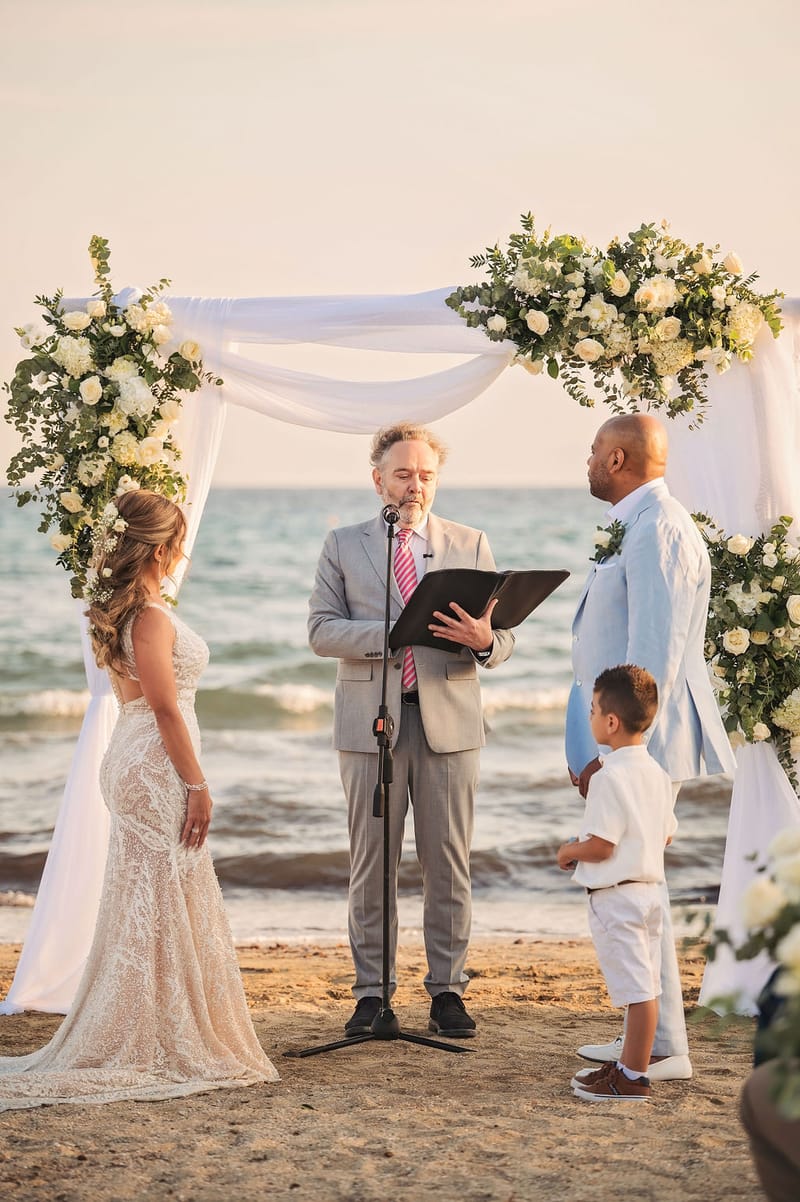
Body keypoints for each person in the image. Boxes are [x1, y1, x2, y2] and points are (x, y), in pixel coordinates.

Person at [0, 489, 278, 1110]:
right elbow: (164, 708)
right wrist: (198, 785)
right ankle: (151, 1036)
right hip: (152, 764)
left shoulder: (136, 608)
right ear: (158, 547)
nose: (182, 547)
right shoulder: (149, 617)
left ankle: (150, 1022)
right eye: (176, 537)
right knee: (158, 893)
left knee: (149, 898)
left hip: (137, 757)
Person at [308, 423, 514, 1038]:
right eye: (403, 474)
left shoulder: (471, 542)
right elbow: (321, 630)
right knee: (371, 865)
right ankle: (372, 994)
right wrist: (390, 636)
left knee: (448, 862)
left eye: (425, 475)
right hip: (370, 723)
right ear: (378, 479)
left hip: (449, 722)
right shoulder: (342, 545)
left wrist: (486, 642)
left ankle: (448, 991)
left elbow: (501, 639)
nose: (414, 485)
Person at [565, 413, 736, 1081]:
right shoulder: (641, 525)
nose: (585, 462)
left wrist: (623, 758)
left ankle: (662, 1049)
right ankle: (655, 1038)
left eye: (591, 452)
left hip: (642, 743)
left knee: (636, 889)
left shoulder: (658, 529)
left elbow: (651, 657)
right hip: (627, 740)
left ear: (615, 459)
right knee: (639, 889)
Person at [558, 665, 676, 1102]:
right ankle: (629, 1065)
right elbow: (664, 833)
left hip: (618, 898)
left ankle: (632, 1078)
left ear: (610, 721)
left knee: (638, 992)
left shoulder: (608, 777)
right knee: (644, 987)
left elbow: (602, 845)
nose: (588, 719)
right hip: (649, 892)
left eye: (591, 711)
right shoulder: (658, 775)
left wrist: (569, 851)